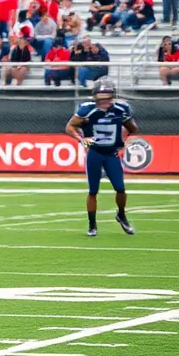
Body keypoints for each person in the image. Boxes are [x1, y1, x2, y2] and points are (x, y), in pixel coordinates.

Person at [65, 78, 139, 238]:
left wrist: (124, 138)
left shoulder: (121, 108)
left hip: (112, 154)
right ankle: (92, 225)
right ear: (95, 97)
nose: (105, 101)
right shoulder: (87, 110)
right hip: (95, 153)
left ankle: (121, 214)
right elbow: (70, 126)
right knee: (93, 191)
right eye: (101, 98)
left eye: (108, 98)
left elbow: (133, 128)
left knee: (120, 188)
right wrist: (81, 139)